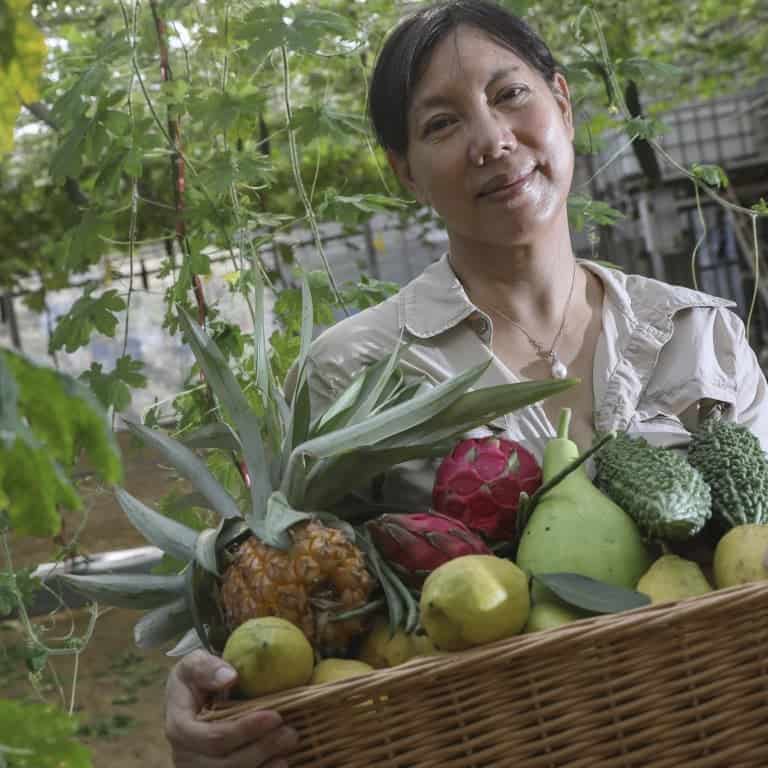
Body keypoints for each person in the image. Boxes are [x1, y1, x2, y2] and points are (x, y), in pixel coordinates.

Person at [163, 1, 768, 765]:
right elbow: (284, 590)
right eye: (441, 124)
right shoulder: (352, 369)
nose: (492, 141)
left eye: (509, 94)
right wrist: (206, 694)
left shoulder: (700, 330)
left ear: (564, 103)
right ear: (405, 171)